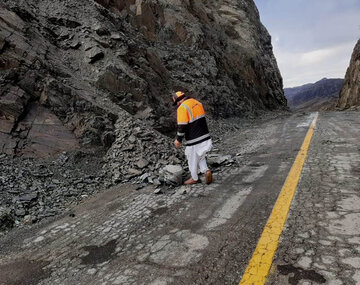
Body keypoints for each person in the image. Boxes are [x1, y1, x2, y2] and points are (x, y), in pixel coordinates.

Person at [172, 91, 213, 185]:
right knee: (201, 156)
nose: (177, 105)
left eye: (176, 103)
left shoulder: (182, 107)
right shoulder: (196, 102)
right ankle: (206, 171)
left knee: (191, 158)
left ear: (178, 101)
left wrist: (178, 139)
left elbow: (182, 125)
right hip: (205, 135)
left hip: (194, 139)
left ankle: (194, 178)